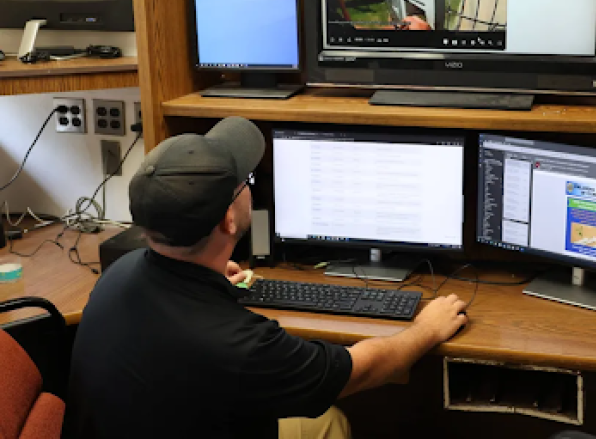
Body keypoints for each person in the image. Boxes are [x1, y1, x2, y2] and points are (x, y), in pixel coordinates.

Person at [65, 117, 468, 439]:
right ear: (227, 219)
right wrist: (426, 330)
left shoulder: (118, 273)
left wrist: (209, 275)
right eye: (246, 182)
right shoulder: (242, 346)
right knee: (328, 422)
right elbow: (357, 370)